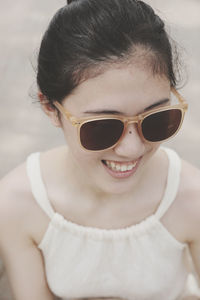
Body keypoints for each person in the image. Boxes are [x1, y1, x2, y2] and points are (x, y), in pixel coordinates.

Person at [0, 0, 199, 299]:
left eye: (156, 120)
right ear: (50, 108)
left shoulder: (191, 197)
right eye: (103, 127)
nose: (132, 147)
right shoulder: (18, 203)